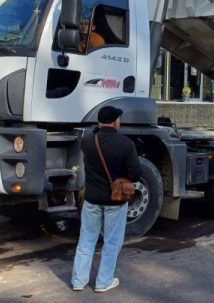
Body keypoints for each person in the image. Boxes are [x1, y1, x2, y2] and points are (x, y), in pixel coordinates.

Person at [72, 106, 140, 293]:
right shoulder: (126, 144)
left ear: (100, 122)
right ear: (116, 121)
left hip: (92, 199)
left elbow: (95, 139)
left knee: (86, 239)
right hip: (115, 202)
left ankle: (78, 281)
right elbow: (135, 174)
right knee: (111, 241)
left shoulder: (87, 141)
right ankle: (103, 282)